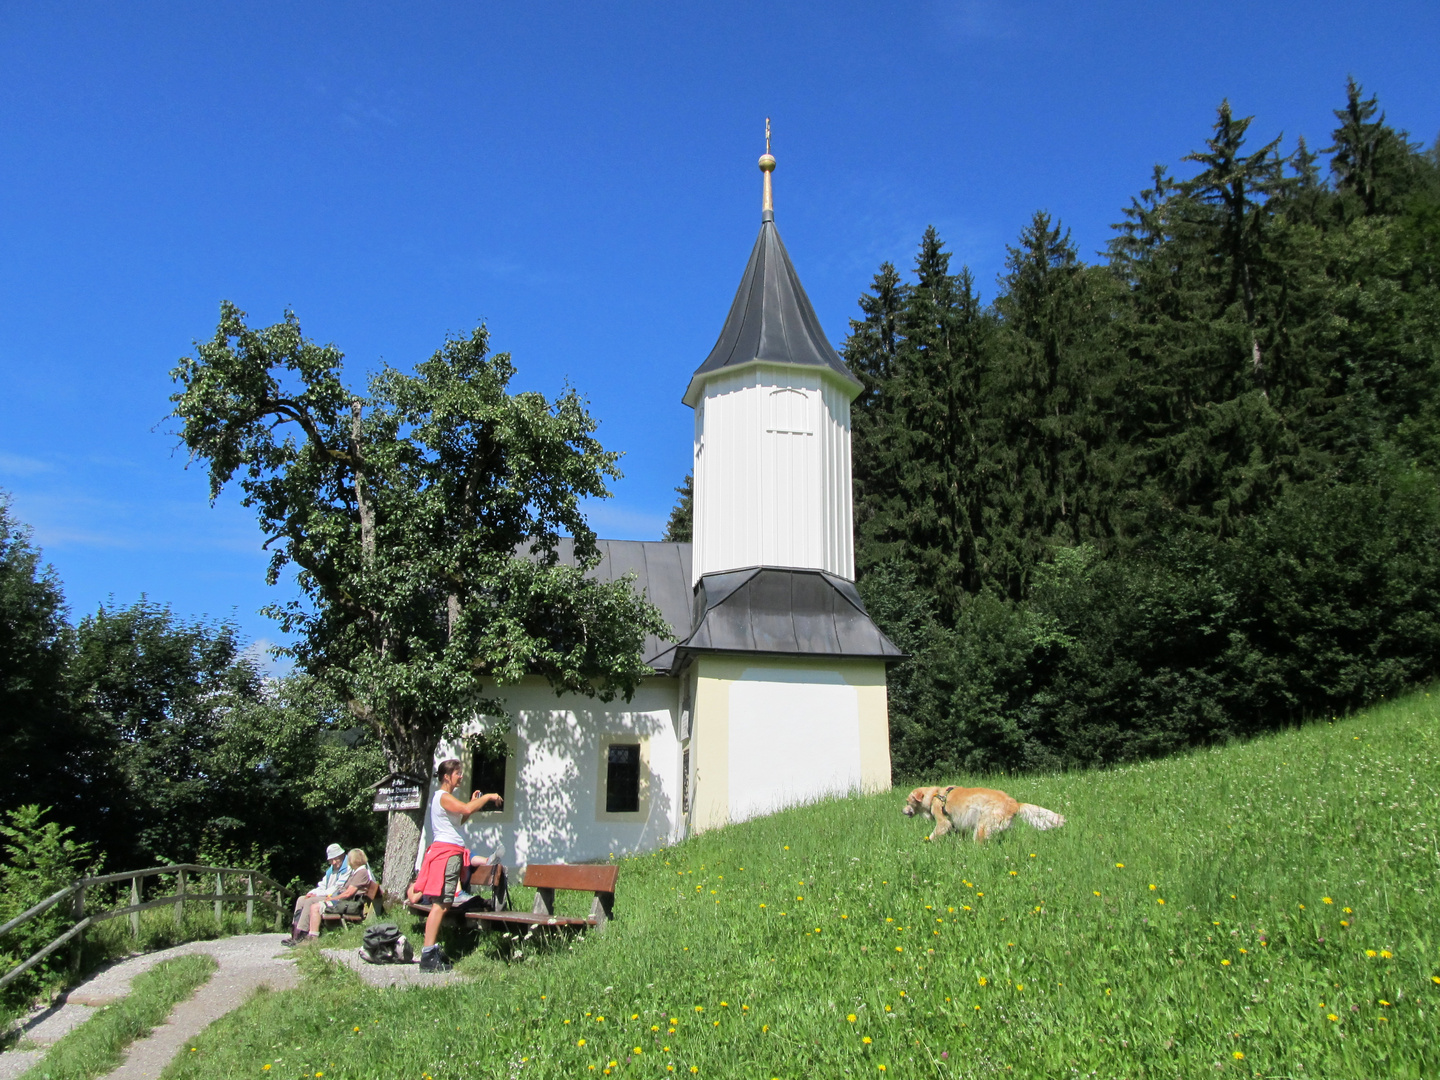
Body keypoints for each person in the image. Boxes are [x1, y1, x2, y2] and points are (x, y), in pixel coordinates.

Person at [414, 758, 502, 971]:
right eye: (457, 773)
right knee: (441, 904)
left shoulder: (444, 799)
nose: (461, 776)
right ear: (446, 776)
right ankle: (428, 956)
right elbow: (463, 809)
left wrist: (472, 805)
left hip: (447, 853)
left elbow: (460, 818)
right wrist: (489, 797)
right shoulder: (443, 797)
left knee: (442, 903)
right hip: (447, 854)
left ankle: (430, 952)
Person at [286, 849, 372, 944]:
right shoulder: (357, 872)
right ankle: (297, 934)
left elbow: (348, 893)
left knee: (315, 907)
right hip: (345, 901)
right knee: (306, 901)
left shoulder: (361, 873)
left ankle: (310, 938)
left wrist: (332, 898)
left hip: (349, 904)